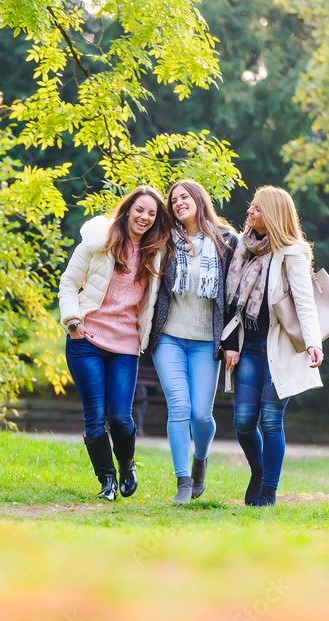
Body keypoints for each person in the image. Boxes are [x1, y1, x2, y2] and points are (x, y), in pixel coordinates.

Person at [58, 185, 170, 501]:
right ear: (127, 210)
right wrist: (72, 320)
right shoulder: (98, 241)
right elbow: (68, 283)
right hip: (86, 339)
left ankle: (126, 465)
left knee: (120, 416)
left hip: (125, 345)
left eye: (152, 213)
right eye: (140, 210)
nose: (145, 217)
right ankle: (106, 481)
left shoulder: (156, 253)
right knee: (94, 415)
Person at [222, 186, 324, 506]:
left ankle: (268, 491)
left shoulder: (292, 253)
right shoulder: (243, 247)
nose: (249, 212)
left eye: (256, 208)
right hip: (249, 346)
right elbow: (229, 303)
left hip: (279, 348)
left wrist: (313, 343)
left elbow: (305, 302)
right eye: (251, 207)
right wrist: (229, 343)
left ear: (273, 215)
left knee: (270, 420)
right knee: (242, 423)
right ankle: (258, 469)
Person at [147, 180, 238, 504]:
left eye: (184, 197)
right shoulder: (164, 241)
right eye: (173, 201)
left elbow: (234, 297)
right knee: (180, 407)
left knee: (201, 414)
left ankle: (200, 461)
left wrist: (232, 342)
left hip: (205, 342)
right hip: (169, 338)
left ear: (199, 199)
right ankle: (182, 480)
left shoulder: (227, 241)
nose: (178, 203)